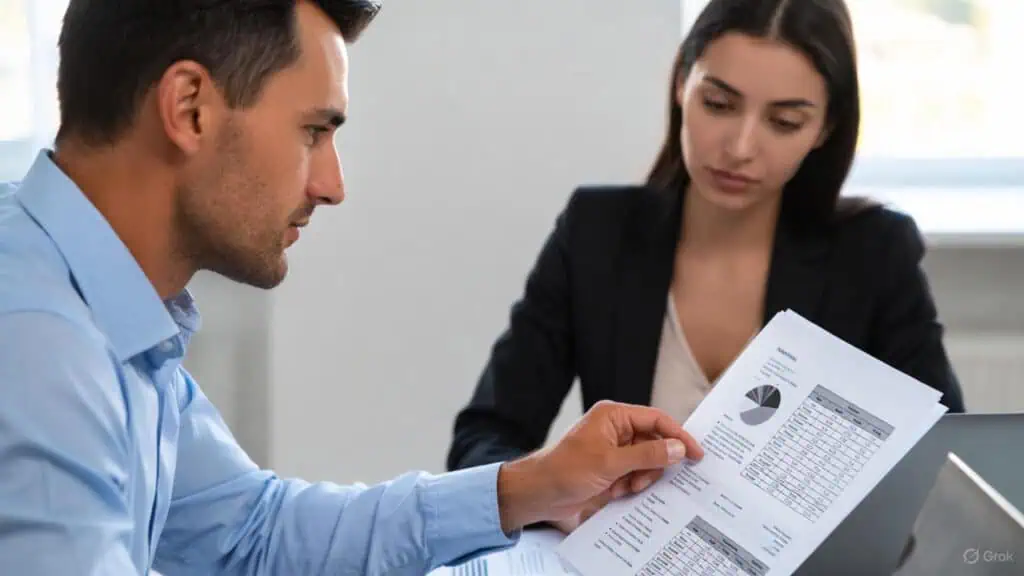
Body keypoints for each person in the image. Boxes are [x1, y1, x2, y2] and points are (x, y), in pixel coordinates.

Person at [0, 1, 706, 574]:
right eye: (314, 132)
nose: (331, 186)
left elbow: (250, 530)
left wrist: (527, 488)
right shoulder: (37, 343)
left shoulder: (96, 298)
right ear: (189, 108)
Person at [446, 0, 967, 533]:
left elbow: (949, 458)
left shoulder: (874, 251)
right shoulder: (597, 233)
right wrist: (555, 500)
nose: (740, 147)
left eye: (784, 122)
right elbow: (483, 441)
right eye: (718, 104)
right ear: (681, 85)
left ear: (825, 128)